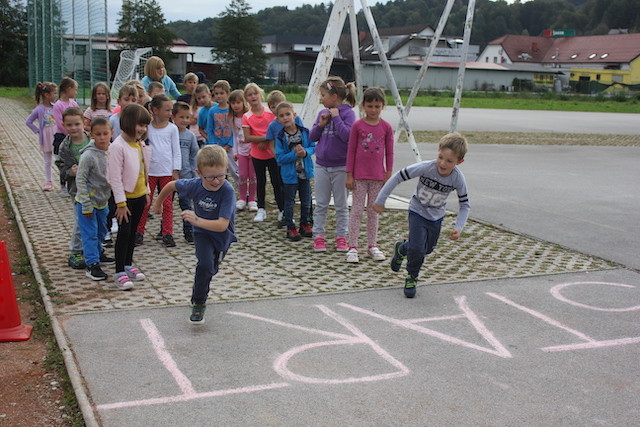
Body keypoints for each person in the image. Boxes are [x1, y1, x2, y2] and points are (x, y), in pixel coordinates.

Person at [373, 132, 470, 298]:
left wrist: (458, 228)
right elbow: (398, 176)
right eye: (440, 157)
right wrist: (380, 200)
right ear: (438, 152)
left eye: (449, 161)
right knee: (418, 249)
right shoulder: (426, 167)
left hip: (436, 217)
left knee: (427, 249)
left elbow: (465, 205)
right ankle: (412, 277)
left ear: (459, 162)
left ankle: (402, 248)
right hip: (417, 211)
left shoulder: (457, 179)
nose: (443, 163)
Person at [152, 145, 237, 324]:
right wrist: (158, 203)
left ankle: (203, 280)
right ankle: (199, 302)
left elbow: (222, 225)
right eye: (210, 177)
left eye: (221, 175)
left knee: (211, 269)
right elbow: (171, 185)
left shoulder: (227, 190)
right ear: (199, 173)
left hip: (222, 236)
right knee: (204, 265)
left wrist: (196, 220)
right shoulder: (194, 185)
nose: (216, 181)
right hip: (202, 234)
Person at [345, 87, 394, 264]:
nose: (373, 110)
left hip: (377, 177)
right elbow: (351, 151)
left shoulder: (386, 127)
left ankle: (372, 245)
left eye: (377, 106)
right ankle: (352, 247)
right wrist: (349, 175)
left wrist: (388, 173)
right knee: (357, 211)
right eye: (370, 106)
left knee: (373, 212)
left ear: (383, 106)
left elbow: (390, 152)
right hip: (359, 176)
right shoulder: (357, 126)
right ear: (363, 106)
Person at [106, 103, 152, 290]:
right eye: (139, 125)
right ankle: (119, 272)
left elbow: (143, 170)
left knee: (133, 232)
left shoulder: (140, 144)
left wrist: (147, 191)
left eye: (145, 125)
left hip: (139, 196)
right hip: (124, 200)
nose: (142, 129)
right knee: (124, 233)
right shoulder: (117, 146)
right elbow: (115, 178)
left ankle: (127, 264)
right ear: (128, 123)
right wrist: (121, 203)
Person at [309, 76, 357, 252]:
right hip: (321, 165)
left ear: (334, 96)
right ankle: (318, 236)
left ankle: (341, 236)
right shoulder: (323, 113)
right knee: (321, 203)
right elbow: (312, 137)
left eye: (323, 95)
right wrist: (320, 125)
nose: (321, 99)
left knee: (341, 205)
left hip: (341, 167)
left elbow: (348, 137)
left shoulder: (348, 113)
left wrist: (336, 118)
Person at [135, 94, 181, 247]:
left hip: (166, 172)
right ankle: (139, 232)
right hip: (149, 172)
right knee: (145, 203)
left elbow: (176, 150)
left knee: (167, 204)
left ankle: (167, 233)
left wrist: (176, 170)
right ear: (155, 110)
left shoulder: (172, 129)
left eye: (171, 110)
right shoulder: (147, 127)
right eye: (167, 110)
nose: (170, 113)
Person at [76, 117, 116, 281]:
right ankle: (92, 264)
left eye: (105, 134)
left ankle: (98, 253)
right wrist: (86, 204)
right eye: (98, 134)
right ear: (91, 134)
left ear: (111, 133)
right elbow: (80, 179)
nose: (102, 137)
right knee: (90, 233)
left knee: (101, 231)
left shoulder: (112, 151)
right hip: (87, 203)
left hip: (103, 201)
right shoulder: (88, 156)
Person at [242, 82, 284, 223]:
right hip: (257, 155)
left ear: (260, 94)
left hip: (273, 153)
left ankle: (282, 209)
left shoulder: (270, 112)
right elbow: (247, 137)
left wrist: (266, 140)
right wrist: (264, 138)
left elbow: (278, 130)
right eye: (249, 95)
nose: (253, 96)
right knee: (260, 182)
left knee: (277, 182)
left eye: (255, 93)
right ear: (246, 98)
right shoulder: (247, 116)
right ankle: (261, 209)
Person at [56, 107, 91, 270]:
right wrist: (70, 171)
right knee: (80, 220)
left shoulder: (92, 140)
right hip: (77, 190)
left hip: (96, 188)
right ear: (64, 126)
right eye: (69, 125)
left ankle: (93, 248)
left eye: (77, 124)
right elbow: (61, 167)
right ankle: (75, 251)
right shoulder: (65, 147)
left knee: (97, 220)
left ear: (84, 123)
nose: (74, 128)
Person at [274, 102, 315, 241]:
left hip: (305, 173)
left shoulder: (305, 132)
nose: (285, 118)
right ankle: (290, 226)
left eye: (288, 114)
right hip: (290, 176)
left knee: (306, 200)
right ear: (278, 119)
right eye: (281, 116)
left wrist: (305, 152)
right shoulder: (280, 137)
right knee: (289, 202)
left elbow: (313, 146)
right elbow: (280, 157)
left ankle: (305, 223)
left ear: (294, 115)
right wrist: (294, 155)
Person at [173, 101, 199, 244]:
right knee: (167, 204)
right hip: (171, 176)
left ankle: (188, 230)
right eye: (181, 117)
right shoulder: (170, 133)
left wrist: (195, 173)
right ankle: (165, 230)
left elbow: (194, 155)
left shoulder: (190, 136)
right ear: (173, 117)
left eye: (187, 117)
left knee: (186, 204)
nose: (184, 120)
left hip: (187, 176)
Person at [206, 80, 239, 191]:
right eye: (216, 94)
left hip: (231, 146)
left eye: (221, 93)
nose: (219, 96)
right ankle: (220, 190)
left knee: (235, 170)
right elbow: (210, 129)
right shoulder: (212, 111)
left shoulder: (232, 110)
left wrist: (229, 145)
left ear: (227, 94)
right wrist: (214, 145)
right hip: (217, 146)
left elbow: (235, 129)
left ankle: (244, 192)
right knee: (219, 171)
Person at [25, 81, 58, 191]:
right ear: (47, 95)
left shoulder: (56, 107)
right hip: (46, 138)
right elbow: (28, 121)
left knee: (59, 159)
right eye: (54, 93)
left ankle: (63, 181)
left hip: (56, 136)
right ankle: (49, 181)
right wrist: (38, 131)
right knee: (47, 161)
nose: (55, 95)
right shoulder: (39, 109)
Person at [229, 89, 257, 211]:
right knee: (242, 175)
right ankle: (242, 198)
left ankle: (252, 199)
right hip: (241, 151)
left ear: (244, 102)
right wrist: (235, 151)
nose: (236, 105)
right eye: (233, 103)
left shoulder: (249, 116)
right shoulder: (233, 119)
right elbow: (235, 136)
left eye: (238, 102)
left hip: (252, 150)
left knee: (252, 176)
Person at [52, 77, 79, 192]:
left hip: (75, 137)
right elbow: (59, 123)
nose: (76, 92)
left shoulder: (73, 103)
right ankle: (63, 184)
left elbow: (79, 117)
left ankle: (74, 184)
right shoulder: (58, 105)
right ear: (68, 89)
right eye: (75, 89)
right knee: (63, 162)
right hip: (62, 136)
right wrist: (70, 133)